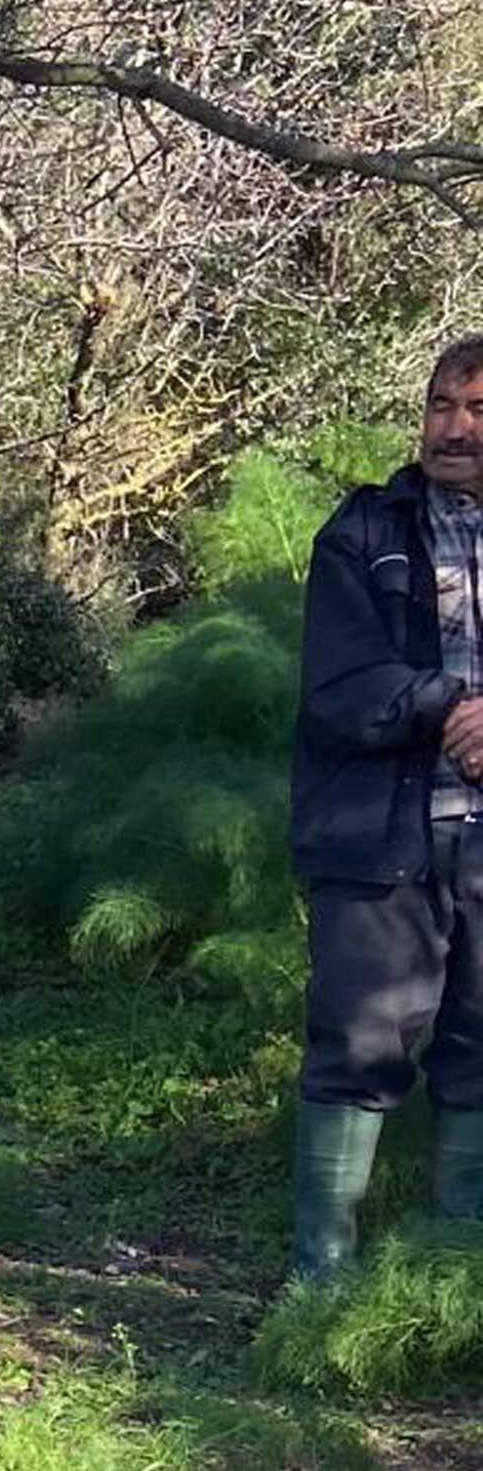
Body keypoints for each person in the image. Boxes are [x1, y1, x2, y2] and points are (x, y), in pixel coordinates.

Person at [288, 335, 483, 1277]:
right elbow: (341, 685)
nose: (455, 428)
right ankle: (322, 1286)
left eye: (478, 411)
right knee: (356, 1047)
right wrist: (451, 707)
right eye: (442, 405)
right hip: (380, 840)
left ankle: (449, 1286)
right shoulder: (364, 534)